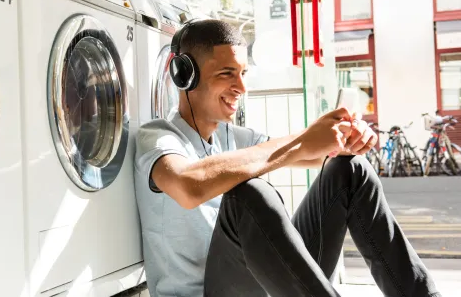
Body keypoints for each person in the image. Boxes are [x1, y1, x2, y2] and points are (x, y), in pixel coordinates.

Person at [133, 19, 441, 297]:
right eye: (227, 73)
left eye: (243, 74)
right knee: (249, 194)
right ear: (185, 75)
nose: (241, 87)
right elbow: (189, 187)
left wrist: (341, 140)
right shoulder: (157, 138)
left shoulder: (234, 138)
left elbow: (304, 156)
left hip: (266, 286)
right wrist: (303, 143)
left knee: (351, 170)